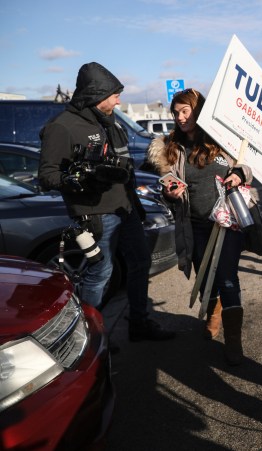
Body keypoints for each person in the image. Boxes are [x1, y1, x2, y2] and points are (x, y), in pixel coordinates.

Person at [39, 62, 175, 343]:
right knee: (101, 272)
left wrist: (135, 206)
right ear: (95, 94)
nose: (119, 99)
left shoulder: (110, 122)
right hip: (94, 214)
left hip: (124, 207)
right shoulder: (62, 126)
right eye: (114, 94)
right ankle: (89, 339)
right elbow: (47, 175)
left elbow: (124, 170)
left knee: (140, 262)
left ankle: (139, 323)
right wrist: (79, 179)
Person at [143, 88, 254, 365]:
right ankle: (213, 310)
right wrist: (169, 188)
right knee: (205, 279)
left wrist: (240, 174)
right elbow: (167, 176)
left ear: (198, 110)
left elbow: (245, 165)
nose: (180, 118)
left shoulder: (222, 139)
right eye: (176, 113)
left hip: (227, 222)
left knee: (228, 277)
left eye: (185, 111)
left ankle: (233, 342)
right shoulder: (170, 146)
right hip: (194, 225)